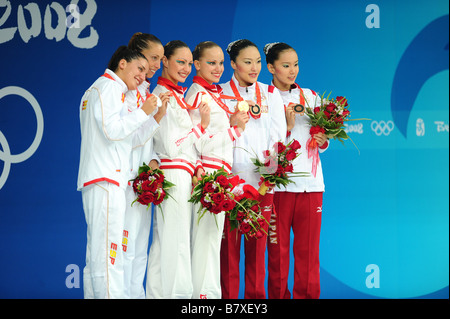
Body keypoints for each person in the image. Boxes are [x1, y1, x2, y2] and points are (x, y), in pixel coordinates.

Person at [77, 46, 159, 299]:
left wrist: (154, 119)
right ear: (122, 63)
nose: (143, 76)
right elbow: (113, 130)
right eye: (140, 69)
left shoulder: (106, 89)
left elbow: (127, 139)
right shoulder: (109, 87)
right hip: (106, 178)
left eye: (146, 72)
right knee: (108, 254)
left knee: (100, 254)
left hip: (105, 178)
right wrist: (144, 112)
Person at [219, 39, 286, 299]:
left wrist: (269, 176)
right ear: (233, 64)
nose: (254, 67)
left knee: (258, 252)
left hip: (261, 185)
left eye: (258, 61)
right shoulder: (220, 93)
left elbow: (279, 138)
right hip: (229, 185)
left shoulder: (271, 94)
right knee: (229, 252)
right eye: (247, 62)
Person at [145, 40, 211, 299]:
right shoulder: (163, 94)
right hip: (172, 172)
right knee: (177, 241)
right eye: (179, 62)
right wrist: (201, 126)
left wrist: (196, 168)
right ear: (165, 61)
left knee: (166, 242)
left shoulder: (177, 95)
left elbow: (186, 147)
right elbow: (172, 147)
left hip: (182, 174)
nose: (184, 68)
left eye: (187, 63)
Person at [264, 42, 329, 299]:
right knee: (277, 257)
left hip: (311, 187)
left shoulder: (312, 97)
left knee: (309, 255)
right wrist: (287, 128)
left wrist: (324, 140)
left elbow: (321, 142)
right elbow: (260, 144)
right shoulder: (264, 99)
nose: (293, 71)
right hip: (278, 188)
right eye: (286, 65)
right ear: (271, 67)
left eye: (296, 64)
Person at [185, 41, 248, 299]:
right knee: (204, 241)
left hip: (219, 175)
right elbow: (194, 141)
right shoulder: (197, 95)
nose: (218, 68)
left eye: (221, 62)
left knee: (211, 242)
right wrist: (234, 129)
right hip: (207, 176)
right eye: (211, 63)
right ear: (196, 65)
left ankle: (207, 295)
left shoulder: (211, 94)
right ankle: (201, 298)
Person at [122, 33, 171, 299]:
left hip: (143, 180)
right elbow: (124, 136)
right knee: (125, 247)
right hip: (125, 179)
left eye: (159, 58)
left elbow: (146, 139)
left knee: (140, 248)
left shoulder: (145, 91)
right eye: (153, 58)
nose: (156, 63)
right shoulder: (125, 92)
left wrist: (154, 161)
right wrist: (153, 115)